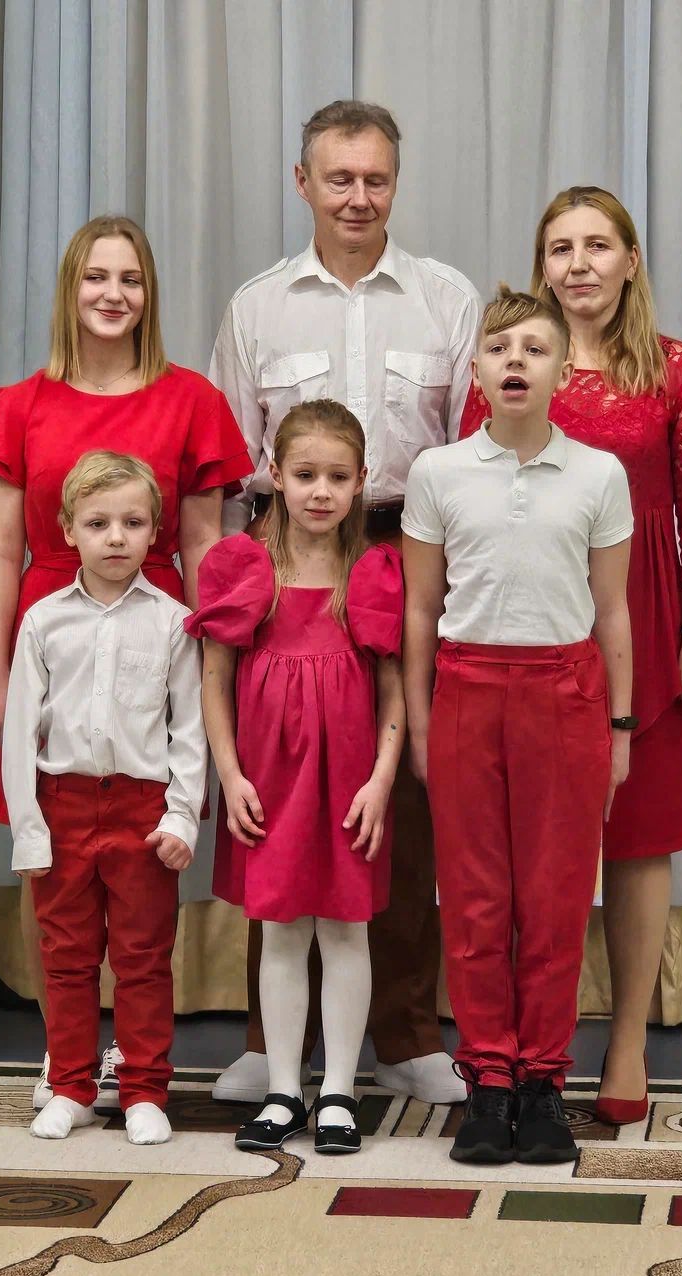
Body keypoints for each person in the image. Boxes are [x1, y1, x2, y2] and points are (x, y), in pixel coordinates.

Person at [209, 98, 481, 1106]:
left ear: (394, 183)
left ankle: (405, 1033)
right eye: (339, 178)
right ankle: (269, 1042)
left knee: (397, 790)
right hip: (284, 556)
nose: (358, 196)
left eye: (375, 179)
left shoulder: (446, 298)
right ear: (303, 183)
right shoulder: (258, 307)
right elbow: (230, 464)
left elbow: (474, 449)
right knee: (277, 785)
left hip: (410, 549)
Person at [0, 215, 252, 1109]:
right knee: (49, 855)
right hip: (50, 643)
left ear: (148, 293)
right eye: (96, 277)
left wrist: (214, 672)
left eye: (129, 278)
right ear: (70, 289)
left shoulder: (191, 399)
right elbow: (0, 548)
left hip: (156, 642)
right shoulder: (19, 404)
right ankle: (67, 1058)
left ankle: (140, 1057)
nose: (112, 294)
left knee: (143, 853)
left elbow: (204, 545)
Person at [459, 188, 682, 1123]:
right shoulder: (509, 359)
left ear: (630, 261)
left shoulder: (675, 367)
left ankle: (626, 1043)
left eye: (598, 246)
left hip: (642, 616)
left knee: (640, 836)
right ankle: (525, 1051)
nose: (578, 264)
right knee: (531, 843)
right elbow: (470, 490)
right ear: (542, 265)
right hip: (528, 615)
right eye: (560, 248)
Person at [404, 286, 634, 1163]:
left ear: (561, 372)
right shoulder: (440, 472)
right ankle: (489, 1082)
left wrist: (618, 727)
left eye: (535, 350)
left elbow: (611, 612)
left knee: (555, 896)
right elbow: (421, 610)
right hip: (467, 689)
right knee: (474, 897)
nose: (515, 362)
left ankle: (542, 1082)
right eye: (500, 349)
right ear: (476, 370)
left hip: (565, 694)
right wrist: (420, 723)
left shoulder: (597, 475)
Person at [186, 401, 404, 1154]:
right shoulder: (243, 565)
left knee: (345, 929)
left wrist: (381, 782)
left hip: (349, 783)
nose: (321, 491)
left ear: (361, 481)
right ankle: (284, 1089)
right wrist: (230, 775)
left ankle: (339, 1091)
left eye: (338, 477)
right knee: (280, 931)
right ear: (274, 475)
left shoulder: (372, 571)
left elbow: (394, 692)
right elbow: (213, 679)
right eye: (305, 475)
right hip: (269, 781)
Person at [2, 451, 207, 1144]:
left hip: (142, 812)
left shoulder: (174, 623)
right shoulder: (43, 621)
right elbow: (20, 734)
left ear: (155, 532)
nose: (116, 537)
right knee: (67, 956)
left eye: (133, 523)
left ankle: (145, 1090)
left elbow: (189, 731)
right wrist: (29, 830)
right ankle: (71, 1086)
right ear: (68, 530)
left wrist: (182, 817)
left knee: (143, 956)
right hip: (63, 806)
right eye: (98, 523)